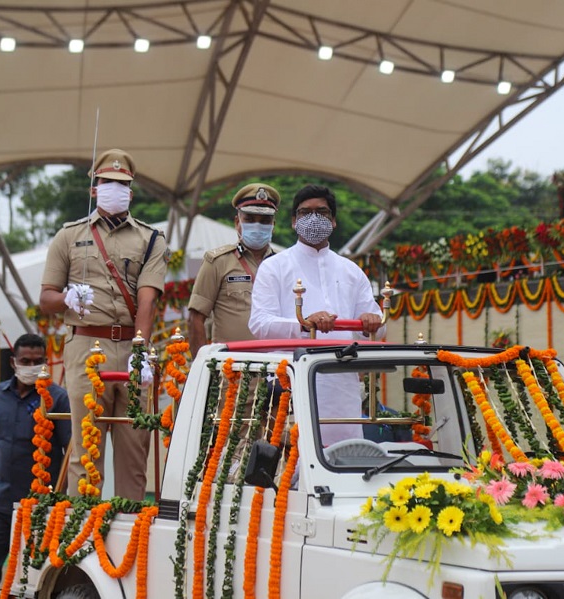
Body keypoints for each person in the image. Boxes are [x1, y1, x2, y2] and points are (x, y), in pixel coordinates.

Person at [39, 148, 167, 500]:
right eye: (107, 182)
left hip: (131, 345)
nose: (115, 188)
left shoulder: (150, 238)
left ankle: (129, 526)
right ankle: (83, 525)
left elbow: (147, 298)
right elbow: (45, 298)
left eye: (122, 183)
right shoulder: (68, 236)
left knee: (134, 444)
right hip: (85, 345)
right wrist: (67, 297)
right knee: (85, 444)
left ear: (131, 191)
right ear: (94, 188)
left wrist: (139, 347)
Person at [249, 184, 384, 445]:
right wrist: (304, 324)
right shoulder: (274, 267)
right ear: (293, 221)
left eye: (321, 212)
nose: (313, 218)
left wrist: (371, 323)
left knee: (345, 454)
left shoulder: (351, 271)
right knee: (292, 462)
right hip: (290, 380)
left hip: (341, 381)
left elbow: (377, 327)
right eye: (305, 213)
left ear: (333, 221)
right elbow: (259, 324)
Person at [0, 333, 70, 599]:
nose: (32, 366)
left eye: (38, 361)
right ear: (14, 362)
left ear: (46, 362)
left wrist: (61, 498)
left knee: (33, 576)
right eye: (26, 360)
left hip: (39, 505)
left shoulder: (58, 399)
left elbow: (68, 451)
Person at [187, 183, 281, 356]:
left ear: (273, 225)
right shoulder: (217, 262)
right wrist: (202, 367)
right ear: (237, 222)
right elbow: (196, 318)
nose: (257, 226)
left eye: (265, 221)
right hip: (231, 369)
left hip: (278, 369)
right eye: (250, 219)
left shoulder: (283, 263)